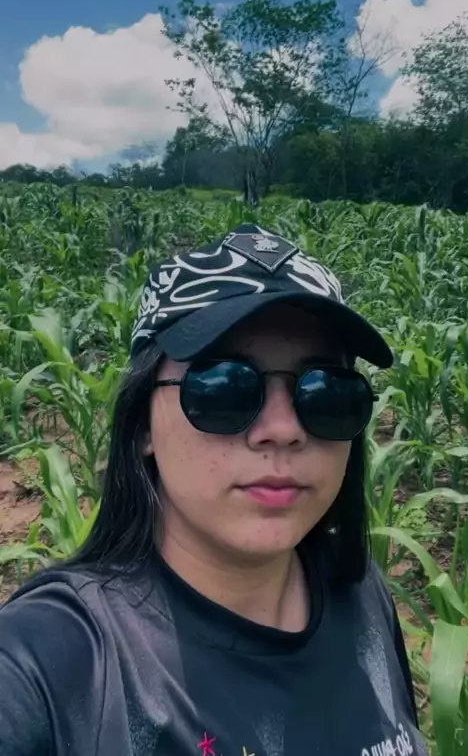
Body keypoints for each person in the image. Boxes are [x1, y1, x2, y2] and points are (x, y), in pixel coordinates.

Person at [0, 223, 429, 756]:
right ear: (142, 425)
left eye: (325, 392)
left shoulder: (361, 595)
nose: (284, 429)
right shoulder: (59, 659)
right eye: (223, 388)